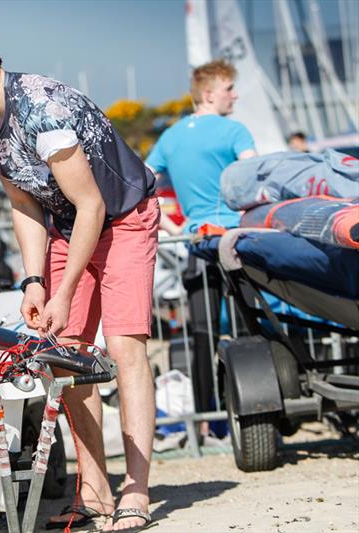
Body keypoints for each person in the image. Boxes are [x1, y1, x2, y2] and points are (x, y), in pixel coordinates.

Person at [0, 12, 159, 532]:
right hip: (70, 227)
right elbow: (23, 204)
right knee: (65, 355)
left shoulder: (41, 109)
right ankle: (94, 492)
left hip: (123, 217)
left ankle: (136, 491)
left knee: (124, 349)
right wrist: (33, 280)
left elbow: (92, 205)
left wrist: (64, 290)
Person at [146, 60, 256, 438]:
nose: (235, 94)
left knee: (202, 336)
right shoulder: (235, 130)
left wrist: (172, 224)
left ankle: (209, 423)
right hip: (238, 240)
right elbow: (256, 177)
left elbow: (142, 185)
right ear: (210, 94)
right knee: (249, 330)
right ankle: (255, 417)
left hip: (195, 242)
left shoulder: (171, 137)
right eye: (229, 88)